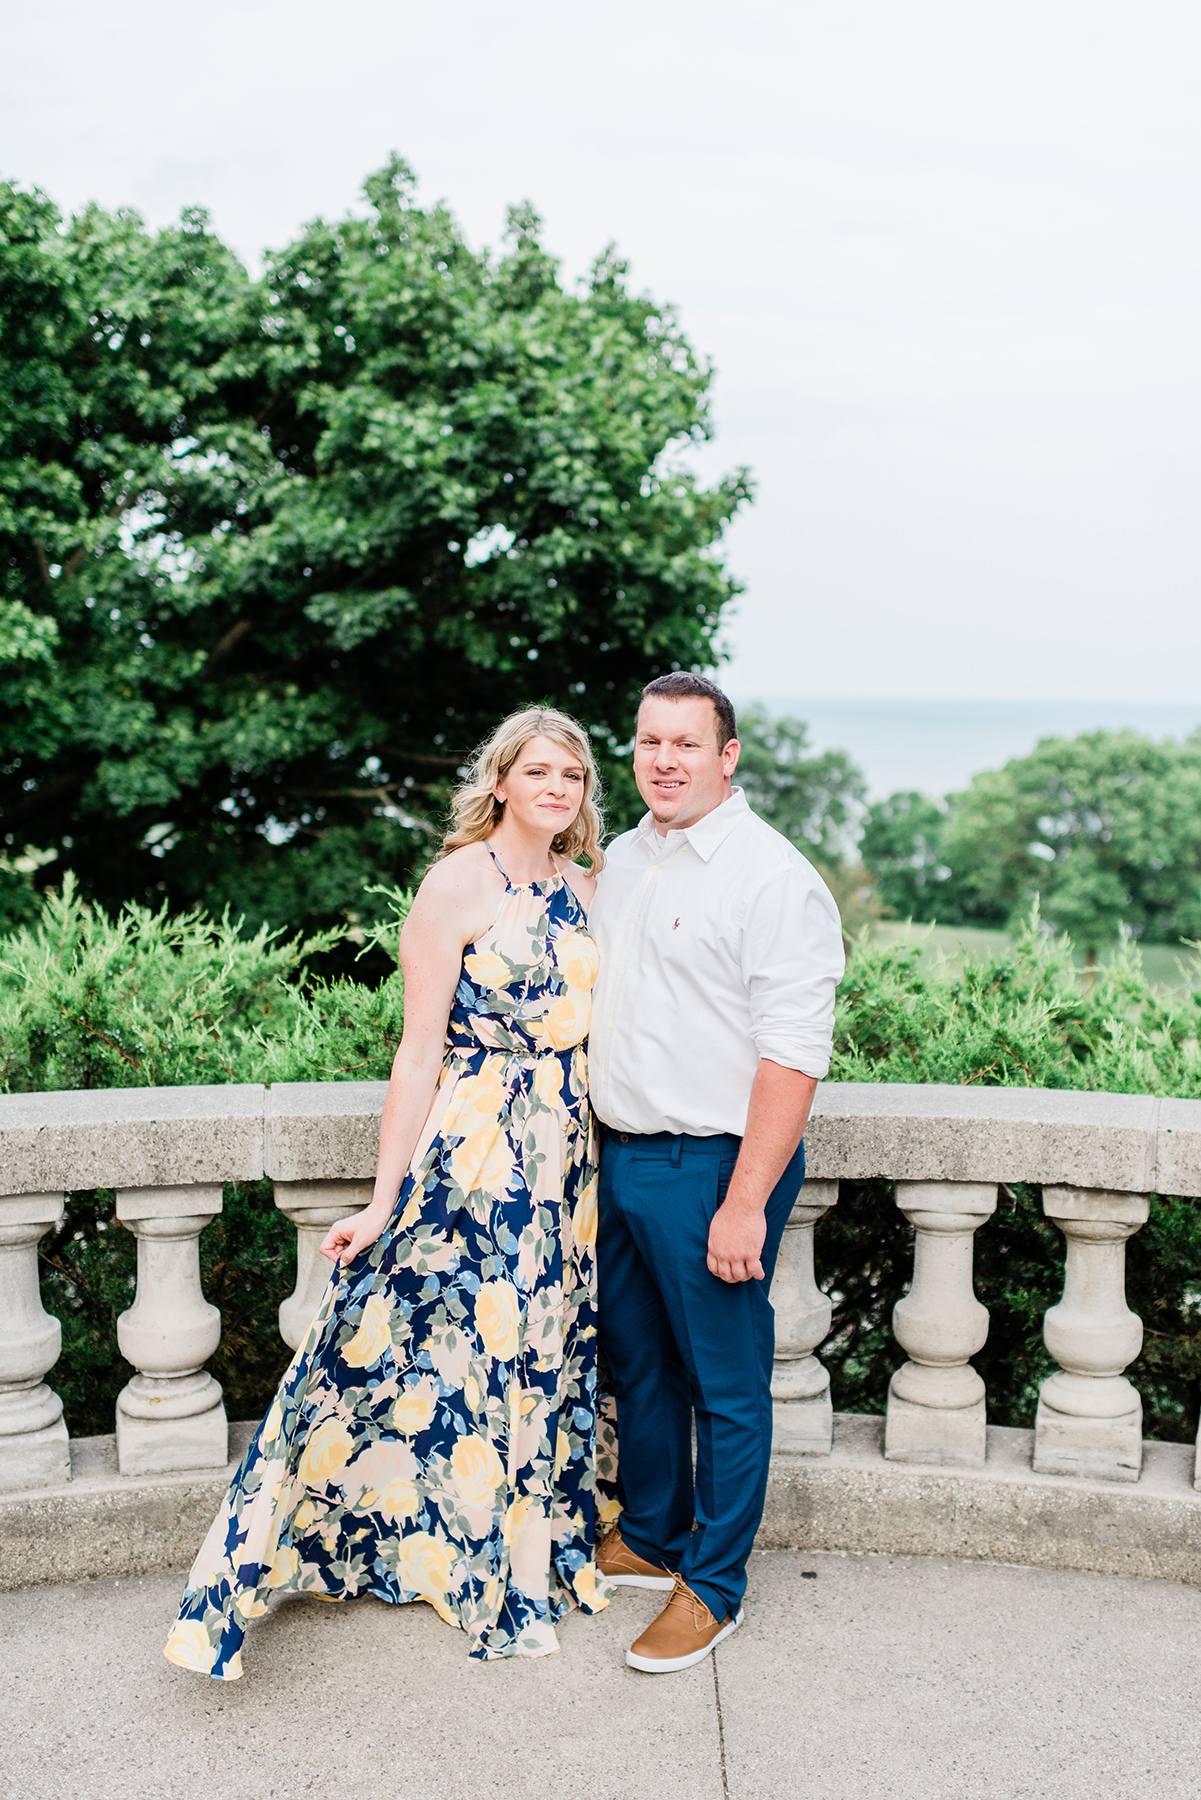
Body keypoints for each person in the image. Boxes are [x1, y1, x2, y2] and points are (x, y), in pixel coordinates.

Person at [165, 707, 610, 1678]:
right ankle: (264, 1572)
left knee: (535, 1354)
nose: (556, 790)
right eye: (538, 772)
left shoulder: (585, 886)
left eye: (572, 777)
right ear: (501, 782)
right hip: (475, 1155)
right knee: (415, 1349)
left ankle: (514, 1554)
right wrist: (381, 1200)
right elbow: (416, 1055)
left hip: (565, 1163)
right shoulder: (455, 885)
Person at [589, 671, 844, 1674]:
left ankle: (715, 1585)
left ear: (726, 757)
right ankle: (651, 1534)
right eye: (650, 742)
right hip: (621, 1158)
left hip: (715, 1166)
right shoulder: (619, 861)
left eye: (686, 745)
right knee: (638, 1364)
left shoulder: (771, 879)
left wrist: (744, 1201)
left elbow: (792, 1057)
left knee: (725, 1384)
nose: (663, 761)